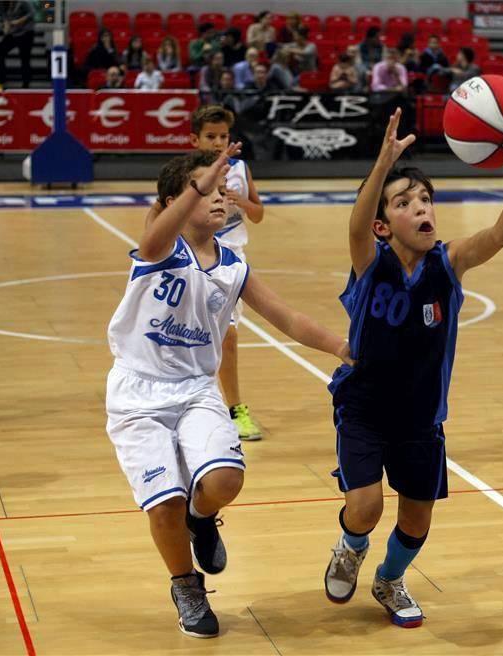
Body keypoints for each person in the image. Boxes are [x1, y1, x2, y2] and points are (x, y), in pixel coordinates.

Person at [107, 146, 350, 638]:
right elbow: (155, 232)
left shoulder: (233, 266)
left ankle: (202, 519)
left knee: (222, 483)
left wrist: (343, 347)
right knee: (163, 503)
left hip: (195, 389)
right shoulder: (160, 248)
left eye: (222, 191)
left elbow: (288, 318)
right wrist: (199, 182)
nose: (220, 199)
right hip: (138, 392)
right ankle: (185, 585)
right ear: (177, 199)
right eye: (207, 191)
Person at [323, 109, 503, 628]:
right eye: (404, 203)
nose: (421, 207)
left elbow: (495, 235)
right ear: (383, 225)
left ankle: (389, 580)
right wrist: (383, 164)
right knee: (366, 508)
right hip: (363, 408)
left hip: (422, 416)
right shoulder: (369, 263)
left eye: (426, 200)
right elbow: (355, 224)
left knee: (418, 516)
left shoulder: (448, 264)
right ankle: (350, 546)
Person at [147, 106, 266, 439]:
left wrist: (240, 202)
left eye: (223, 136)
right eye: (210, 137)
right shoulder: (187, 175)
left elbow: (258, 214)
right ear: (194, 139)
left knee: (227, 336)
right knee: (186, 338)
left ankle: (236, 409)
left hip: (229, 261)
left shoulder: (240, 169)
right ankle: (184, 403)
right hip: (187, 259)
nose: (217, 143)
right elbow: (158, 212)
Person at [0, 0, 35, 88]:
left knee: (25, 58)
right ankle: (2, 79)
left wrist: (18, 21)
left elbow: (32, 13)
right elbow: (4, 15)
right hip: (13, 33)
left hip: (26, 33)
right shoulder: (3, 3)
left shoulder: (23, 2)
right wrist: (6, 26)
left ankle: (26, 84)